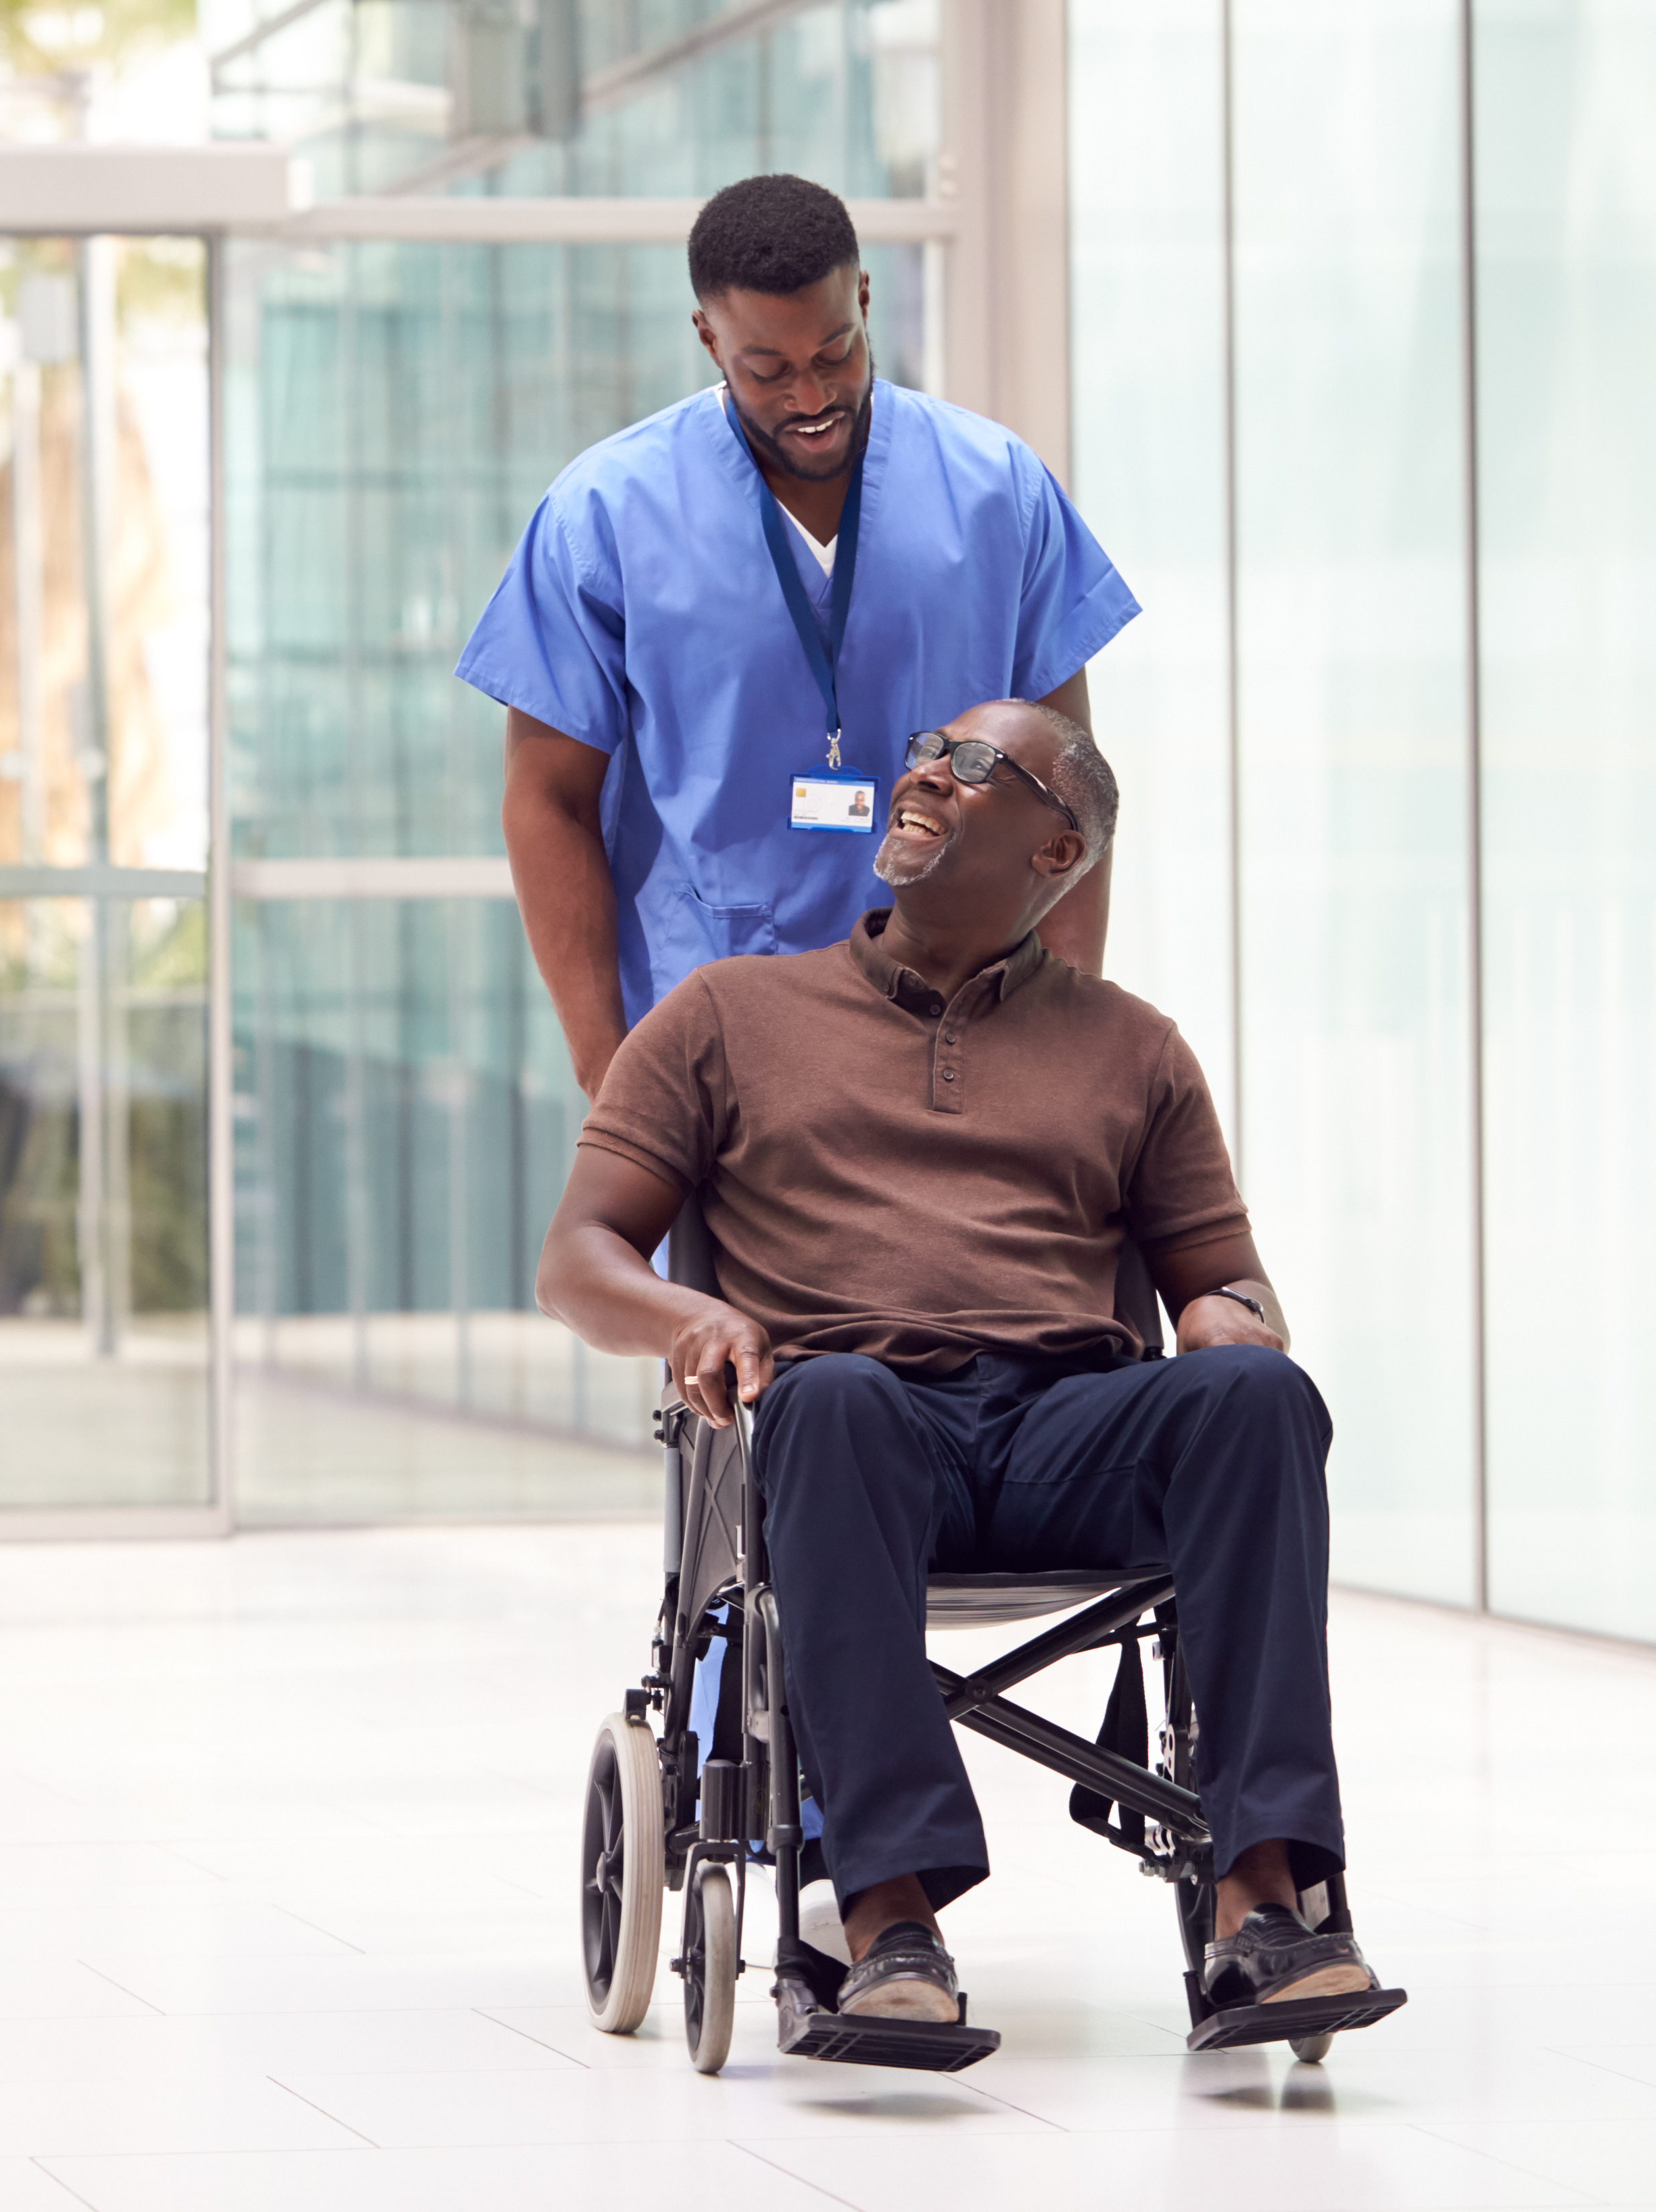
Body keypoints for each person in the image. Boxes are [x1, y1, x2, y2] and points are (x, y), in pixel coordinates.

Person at [533, 698, 1388, 2040]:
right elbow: (579, 1255)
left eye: (977, 764)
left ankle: (1265, 1908)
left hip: (1068, 1430)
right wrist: (690, 1319)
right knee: (832, 1396)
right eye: (925, 747)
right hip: (859, 1437)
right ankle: (886, 1926)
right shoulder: (728, 1016)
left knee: (1259, 1397)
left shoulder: (1134, 1048)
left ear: (1059, 854)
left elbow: (1227, 1276)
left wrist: (1232, 1312)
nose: (925, 768)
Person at [465, 173, 1140, 1100]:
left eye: (836, 353)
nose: (811, 395)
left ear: (864, 298)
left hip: (960, 1043)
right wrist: (608, 1075)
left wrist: (1060, 1044)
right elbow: (546, 800)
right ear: (707, 338)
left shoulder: (997, 491)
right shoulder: (603, 516)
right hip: (713, 1054)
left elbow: (1070, 789)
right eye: (766, 370)